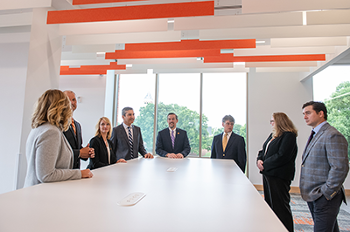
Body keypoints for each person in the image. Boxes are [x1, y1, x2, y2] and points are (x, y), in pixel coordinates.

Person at [24, 89, 93, 187]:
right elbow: (46, 175)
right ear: (61, 107)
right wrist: (79, 174)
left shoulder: (40, 128)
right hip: (43, 194)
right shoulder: (51, 132)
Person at [300, 101, 349, 232]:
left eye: (308, 113)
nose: (305, 116)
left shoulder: (332, 135)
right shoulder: (317, 134)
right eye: (304, 114)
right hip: (314, 194)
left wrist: (326, 192)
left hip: (324, 196)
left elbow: (340, 168)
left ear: (321, 113)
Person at [256, 112, 298, 232]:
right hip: (268, 174)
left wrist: (265, 165)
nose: (271, 124)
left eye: (272, 121)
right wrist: (259, 160)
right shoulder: (273, 135)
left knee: (280, 206)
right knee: (270, 205)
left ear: (280, 121)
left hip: (279, 176)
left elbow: (282, 155)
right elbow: (263, 150)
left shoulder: (289, 135)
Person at [63, 90, 94, 169]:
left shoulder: (77, 125)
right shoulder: (59, 124)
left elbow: (78, 148)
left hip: (75, 172)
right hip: (62, 172)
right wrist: (80, 153)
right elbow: (59, 152)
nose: (71, 103)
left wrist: (86, 152)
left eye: (73, 100)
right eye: (68, 100)